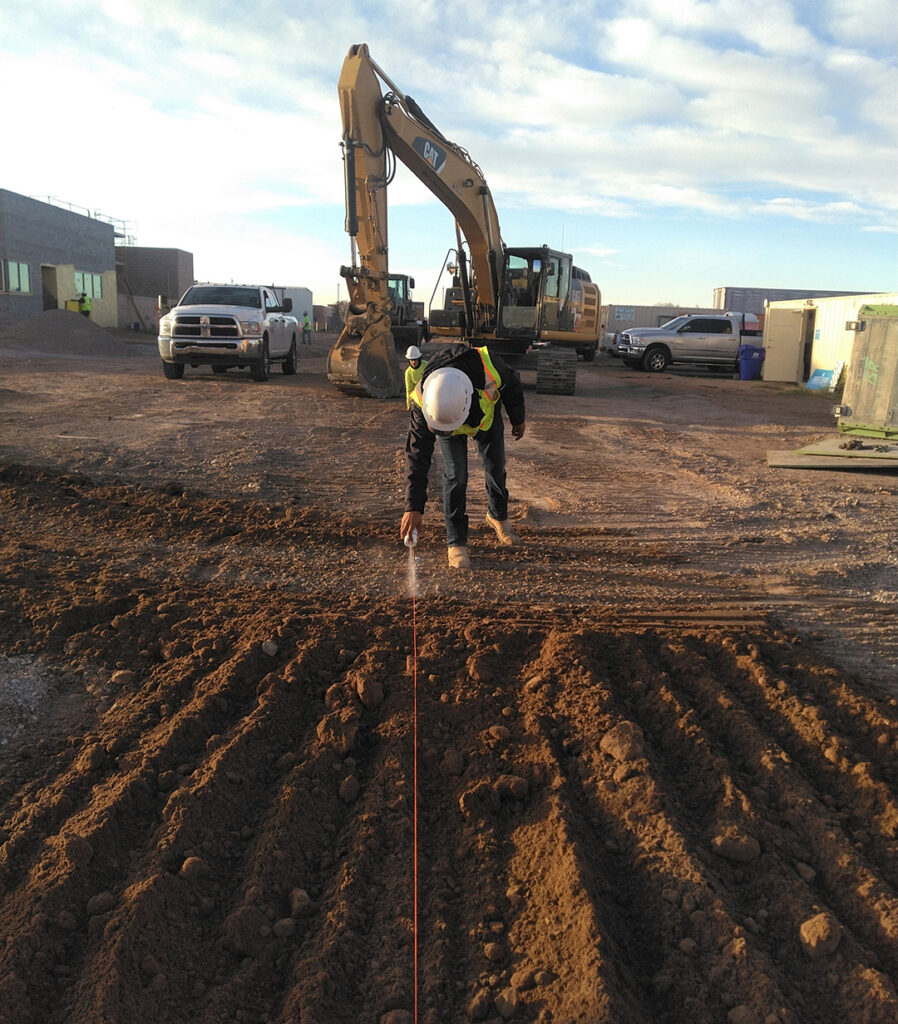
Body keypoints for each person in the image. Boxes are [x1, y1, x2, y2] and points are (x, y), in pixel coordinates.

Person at [400, 344, 525, 569]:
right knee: (456, 476)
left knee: (496, 467)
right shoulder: (422, 399)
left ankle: (498, 516)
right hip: (452, 414)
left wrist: (518, 418)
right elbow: (417, 455)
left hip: (486, 420)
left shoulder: (490, 368)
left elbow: (513, 384)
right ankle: (456, 541)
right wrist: (413, 506)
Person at [404, 345, 428, 410]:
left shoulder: (426, 365)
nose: (413, 362)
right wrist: (408, 405)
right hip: (418, 396)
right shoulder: (408, 372)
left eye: (415, 360)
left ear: (419, 359)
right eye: (412, 360)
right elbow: (409, 390)